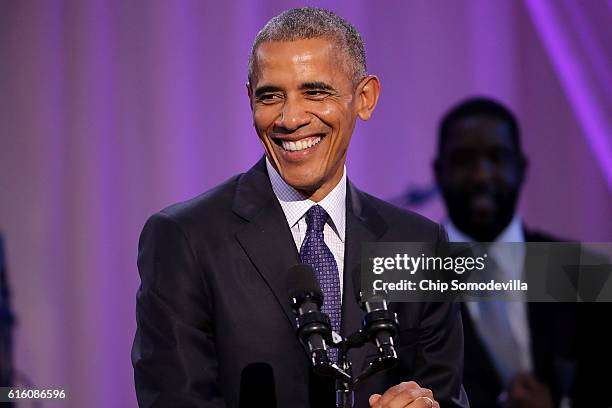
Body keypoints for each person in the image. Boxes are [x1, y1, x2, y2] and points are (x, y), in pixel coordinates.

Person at [132, 7, 468, 408]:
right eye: (271, 96)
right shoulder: (184, 238)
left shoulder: (419, 243)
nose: (290, 119)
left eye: (315, 92)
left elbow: (446, 395)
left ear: (364, 98)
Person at [434, 97, 611, 407]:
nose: (481, 176)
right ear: (439, 172)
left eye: (497, 158)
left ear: (522, 168)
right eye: (464, 159)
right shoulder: (403, 276)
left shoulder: (583, 270)